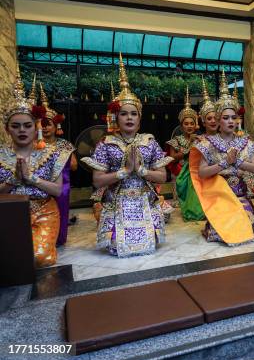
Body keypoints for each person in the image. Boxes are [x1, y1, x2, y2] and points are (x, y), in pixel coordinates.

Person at [81, 54, 173, 257]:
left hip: (144, 198)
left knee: (150, 244)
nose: (129, 117)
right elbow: (97, 181)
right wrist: (124, 171)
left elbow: (162, 177)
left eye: (133, 113)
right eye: (124, 113)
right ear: (116, 117)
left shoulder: (149, 141)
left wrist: (140, 170)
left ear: (140, 118)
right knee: (115, 245)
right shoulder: (105, 143)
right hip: (117, 200)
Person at [0, 69, 68, 267]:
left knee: (37, 257)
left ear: (36, 126)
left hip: (43, 211)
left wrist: (31, 178)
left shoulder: (52, 153)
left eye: (27, 125)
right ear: (7, 129)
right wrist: (12, 180)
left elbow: (57, 190)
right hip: (8, 213)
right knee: (8, 259)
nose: (22, 130)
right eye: (16, 126)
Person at [189, 70, 254, 245]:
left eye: (233, 118)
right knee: (219, 230)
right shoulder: (208, 143)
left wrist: (238, 162)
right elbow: (203, 173)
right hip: (219, 193)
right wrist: (224, 163)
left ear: (238, 120)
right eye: (225, 118)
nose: (230, 121)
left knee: (248, 224)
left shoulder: (246, 142)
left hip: (240, 193)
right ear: (218, 121)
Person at [39, 83, 77, 246]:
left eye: (48, 124)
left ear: (56, 126)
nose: (45, 127)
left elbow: (74, 166)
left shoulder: (64, 145)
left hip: (62, 185)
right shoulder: (32, 145)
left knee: (61, 213)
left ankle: (58, 239)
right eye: (41, 124)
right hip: (38, 185)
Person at [166, 87, 202, 221]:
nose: (189, 126)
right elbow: (172, 157)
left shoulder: (200, 139)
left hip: (197, 171)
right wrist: (188, 148)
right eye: (186, 124)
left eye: (192, 123)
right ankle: (188, 212)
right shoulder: (175, 140)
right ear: (181, 126)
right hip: (181, 172)